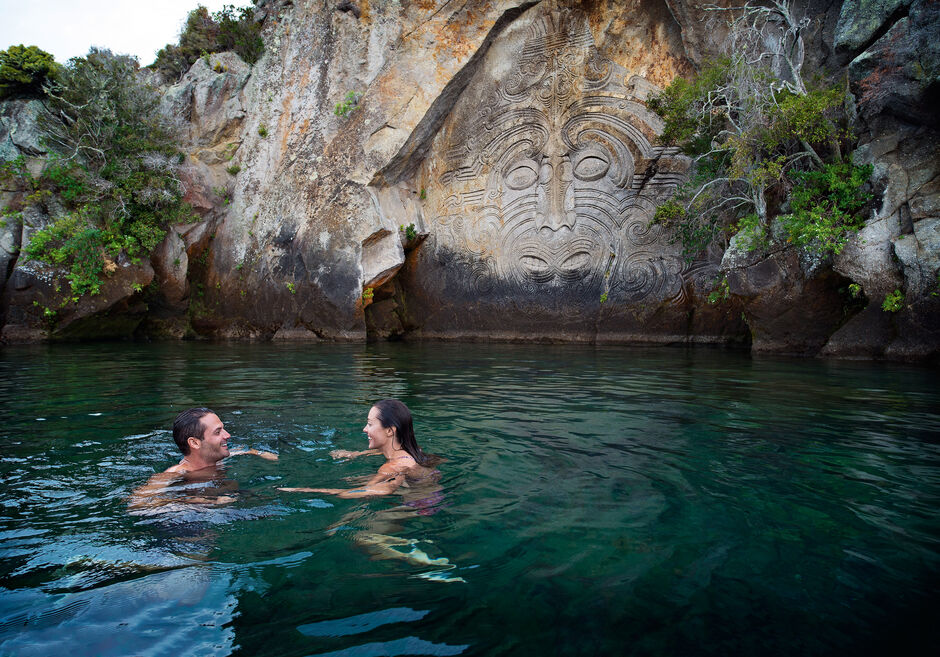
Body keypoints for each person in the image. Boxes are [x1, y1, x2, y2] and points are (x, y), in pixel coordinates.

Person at [129, 407, 277, 510]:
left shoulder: (219, 458)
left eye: (223, 428)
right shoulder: (175, 473)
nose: (227, 435)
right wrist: (198, 502)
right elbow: (136, 505)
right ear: (194, 442)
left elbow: (243, 450)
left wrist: (257, 453)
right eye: (218, 432)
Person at [279, 399, 431, 498]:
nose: (365, 429)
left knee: (358, 536)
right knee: (351, 480)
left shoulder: (391, 467)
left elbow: (365, 492)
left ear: (390, 431)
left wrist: (306, 491)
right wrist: (356, 454)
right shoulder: (411, 451)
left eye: (370, 424)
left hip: (420, 506)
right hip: (428, 496)